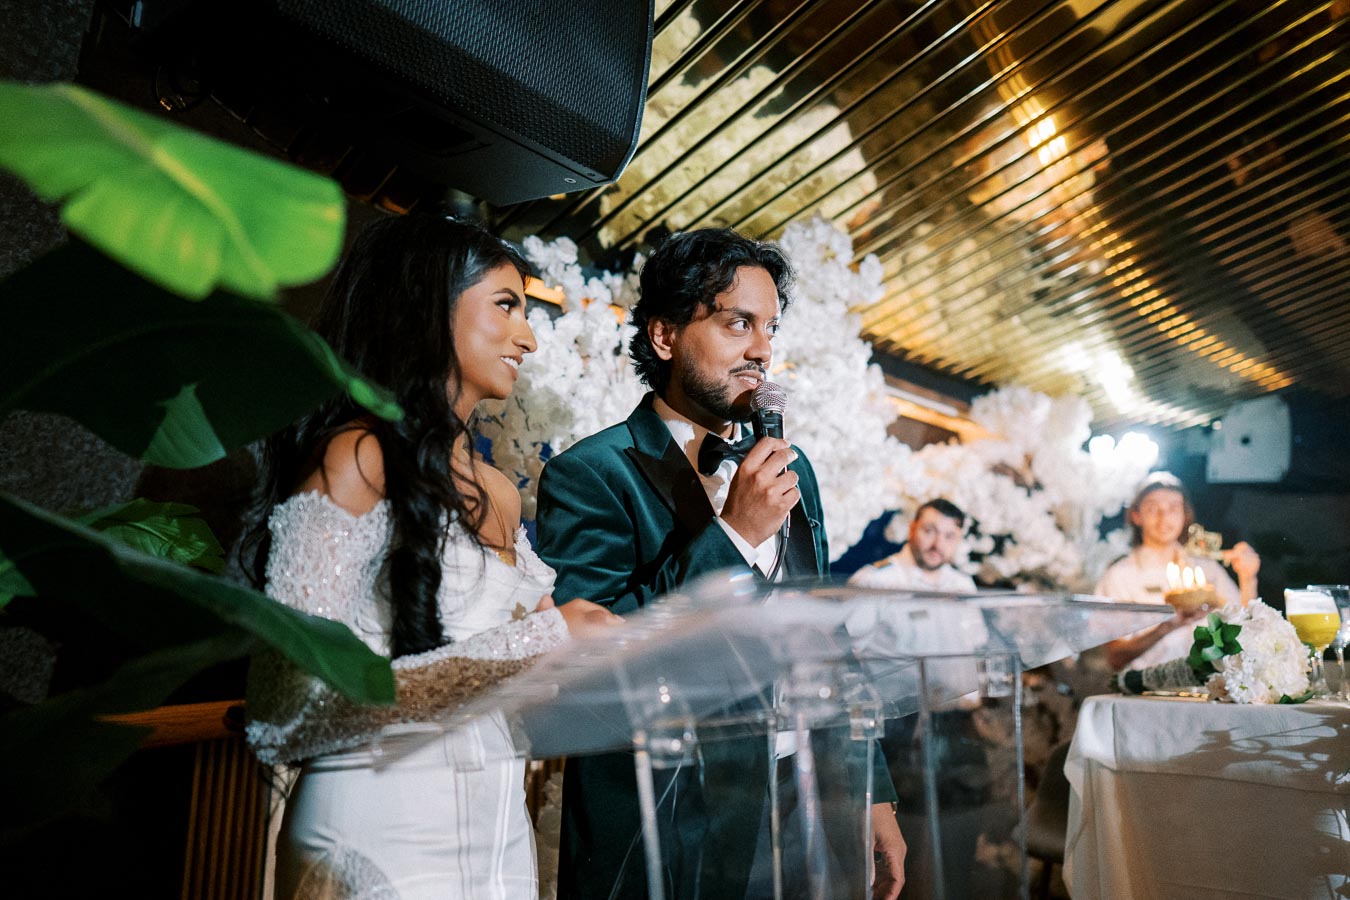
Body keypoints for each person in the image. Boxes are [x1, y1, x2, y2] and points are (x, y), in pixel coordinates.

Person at [242, 213, 619, 900]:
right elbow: (287, 712)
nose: (529, 336)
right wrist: (541, 638)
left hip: (500, 829)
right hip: (378, 823)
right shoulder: (354, 458)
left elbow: (521, 662)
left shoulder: (500, 492)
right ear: (426, 308)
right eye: (506, 306)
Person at [535, 228, 905, 899]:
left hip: (805, 809)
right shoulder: (591, 474)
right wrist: (732, 536)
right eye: (738, 323)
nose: (762, 349)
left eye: (770, 327)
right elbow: (593, 660)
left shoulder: (797, 473)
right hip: (672, 820)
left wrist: (871, 786)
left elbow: (827, 637)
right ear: (666, 336)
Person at [1095, 472, 1260, 671]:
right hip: (1147, 691)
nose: (1164, 517)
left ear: (1185, 515)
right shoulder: (1120, 576)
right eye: (1153, 508)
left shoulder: (1207, 569)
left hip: (1206, 689)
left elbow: (1246, 628)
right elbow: (1115, 657)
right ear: (1136, 515)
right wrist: (1168, 625)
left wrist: (1248, 578)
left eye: (1173, 508)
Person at [848, 499, 977, 592]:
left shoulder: (963, 585)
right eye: (929, 531)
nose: (938, 545)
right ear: (912, 529)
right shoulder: (874, 581)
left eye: (949, 536)